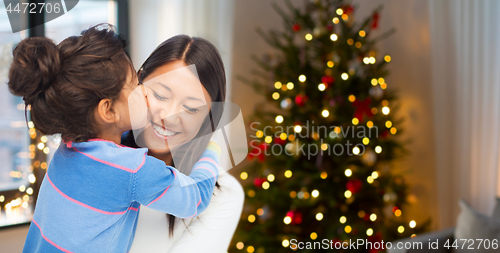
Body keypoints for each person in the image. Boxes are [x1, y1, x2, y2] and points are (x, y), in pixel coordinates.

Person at [8, 25, 220, 253]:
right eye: (137, 86)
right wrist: (211, 150)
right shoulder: (133, 169)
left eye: (190, 107)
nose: (145, 93)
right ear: (108, 111)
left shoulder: (69, 145)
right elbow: (194, 198)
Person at [125, 35, 244, 252]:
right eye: (160, 95)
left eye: (190, 109)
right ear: (138, 82)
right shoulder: (95, 158)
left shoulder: (222, 195)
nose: (169, 117)